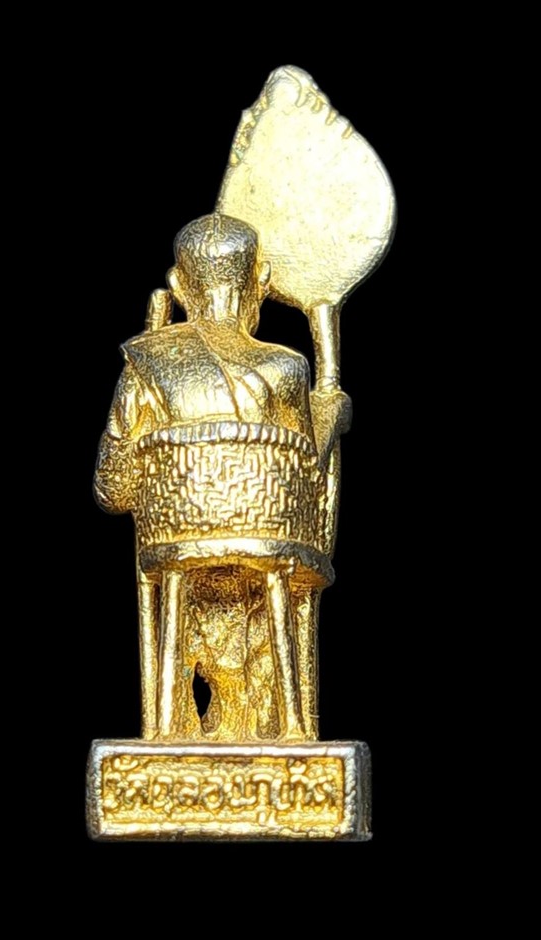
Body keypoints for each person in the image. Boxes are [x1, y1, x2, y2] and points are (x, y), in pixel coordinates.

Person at [95, 213, 345, 741]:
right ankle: (291, 727)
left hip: (174, 538)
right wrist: (331, 413)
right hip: (268, 535)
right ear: (262, 281)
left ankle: (165, 731)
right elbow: (303, 469)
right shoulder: (286, 368)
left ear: (179, 285)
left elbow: (111, 488)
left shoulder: (145, 361)